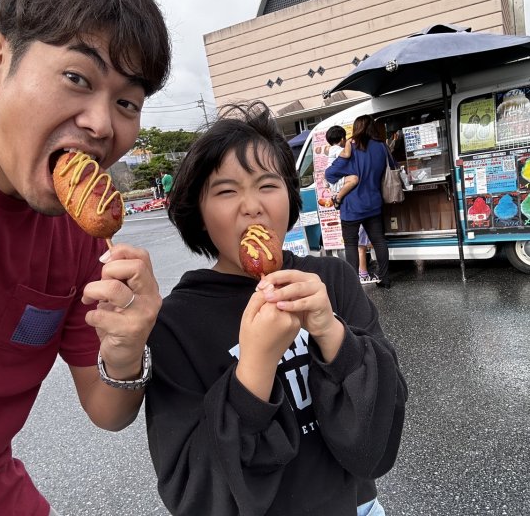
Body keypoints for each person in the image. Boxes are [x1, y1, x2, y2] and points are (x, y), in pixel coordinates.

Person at [0, 0, 171, 515]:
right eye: (77, 77)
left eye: (127, 103)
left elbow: (109, 412)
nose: (101, 124)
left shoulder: (80, 237)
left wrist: (127, 347)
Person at [145, 101, 407, 516]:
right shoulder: (175, 324)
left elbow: (380, 432)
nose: (252, 205)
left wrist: (331, 333)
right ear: (199, 212)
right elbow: (194, 492)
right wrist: (256, 366)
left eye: (268, 185)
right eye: (226, 191)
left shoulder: (333, 280)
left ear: (289, 196)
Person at [325, 114, 396, 289]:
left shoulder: (352, 147)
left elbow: (330, 174)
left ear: (356, 128)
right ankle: (384, 279)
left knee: (351, 244)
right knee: (379, 240)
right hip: (374, 203)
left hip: (352, 206)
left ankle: (353, 285)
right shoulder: (381, 146)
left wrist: (347, 175)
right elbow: (392, 166)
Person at [325, 125, 357, 209]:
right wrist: (348, 143)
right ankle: (338, 198)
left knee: (352, 179)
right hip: (333, 177)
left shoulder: (332, 148)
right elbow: (347, 154)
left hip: (333, 176)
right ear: (343, 139)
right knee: (354, 179)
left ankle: (337, 197)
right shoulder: (336, 148)